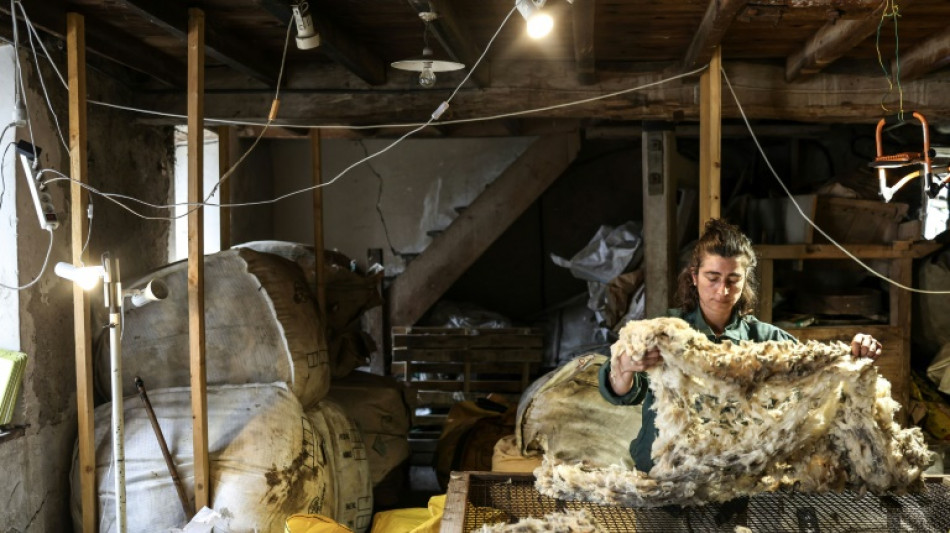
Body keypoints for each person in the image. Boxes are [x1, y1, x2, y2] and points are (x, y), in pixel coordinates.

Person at [598, 218, 883, 472]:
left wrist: (854, 354)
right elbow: (623, 393)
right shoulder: (665, 333)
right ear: (694, 277)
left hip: (736, 478)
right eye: (713, 278)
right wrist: (623, 367)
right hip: (664, 474)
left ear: (745, 281)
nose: (722, 291)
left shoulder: (767, 340)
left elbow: (816, 376)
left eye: (733, 280)